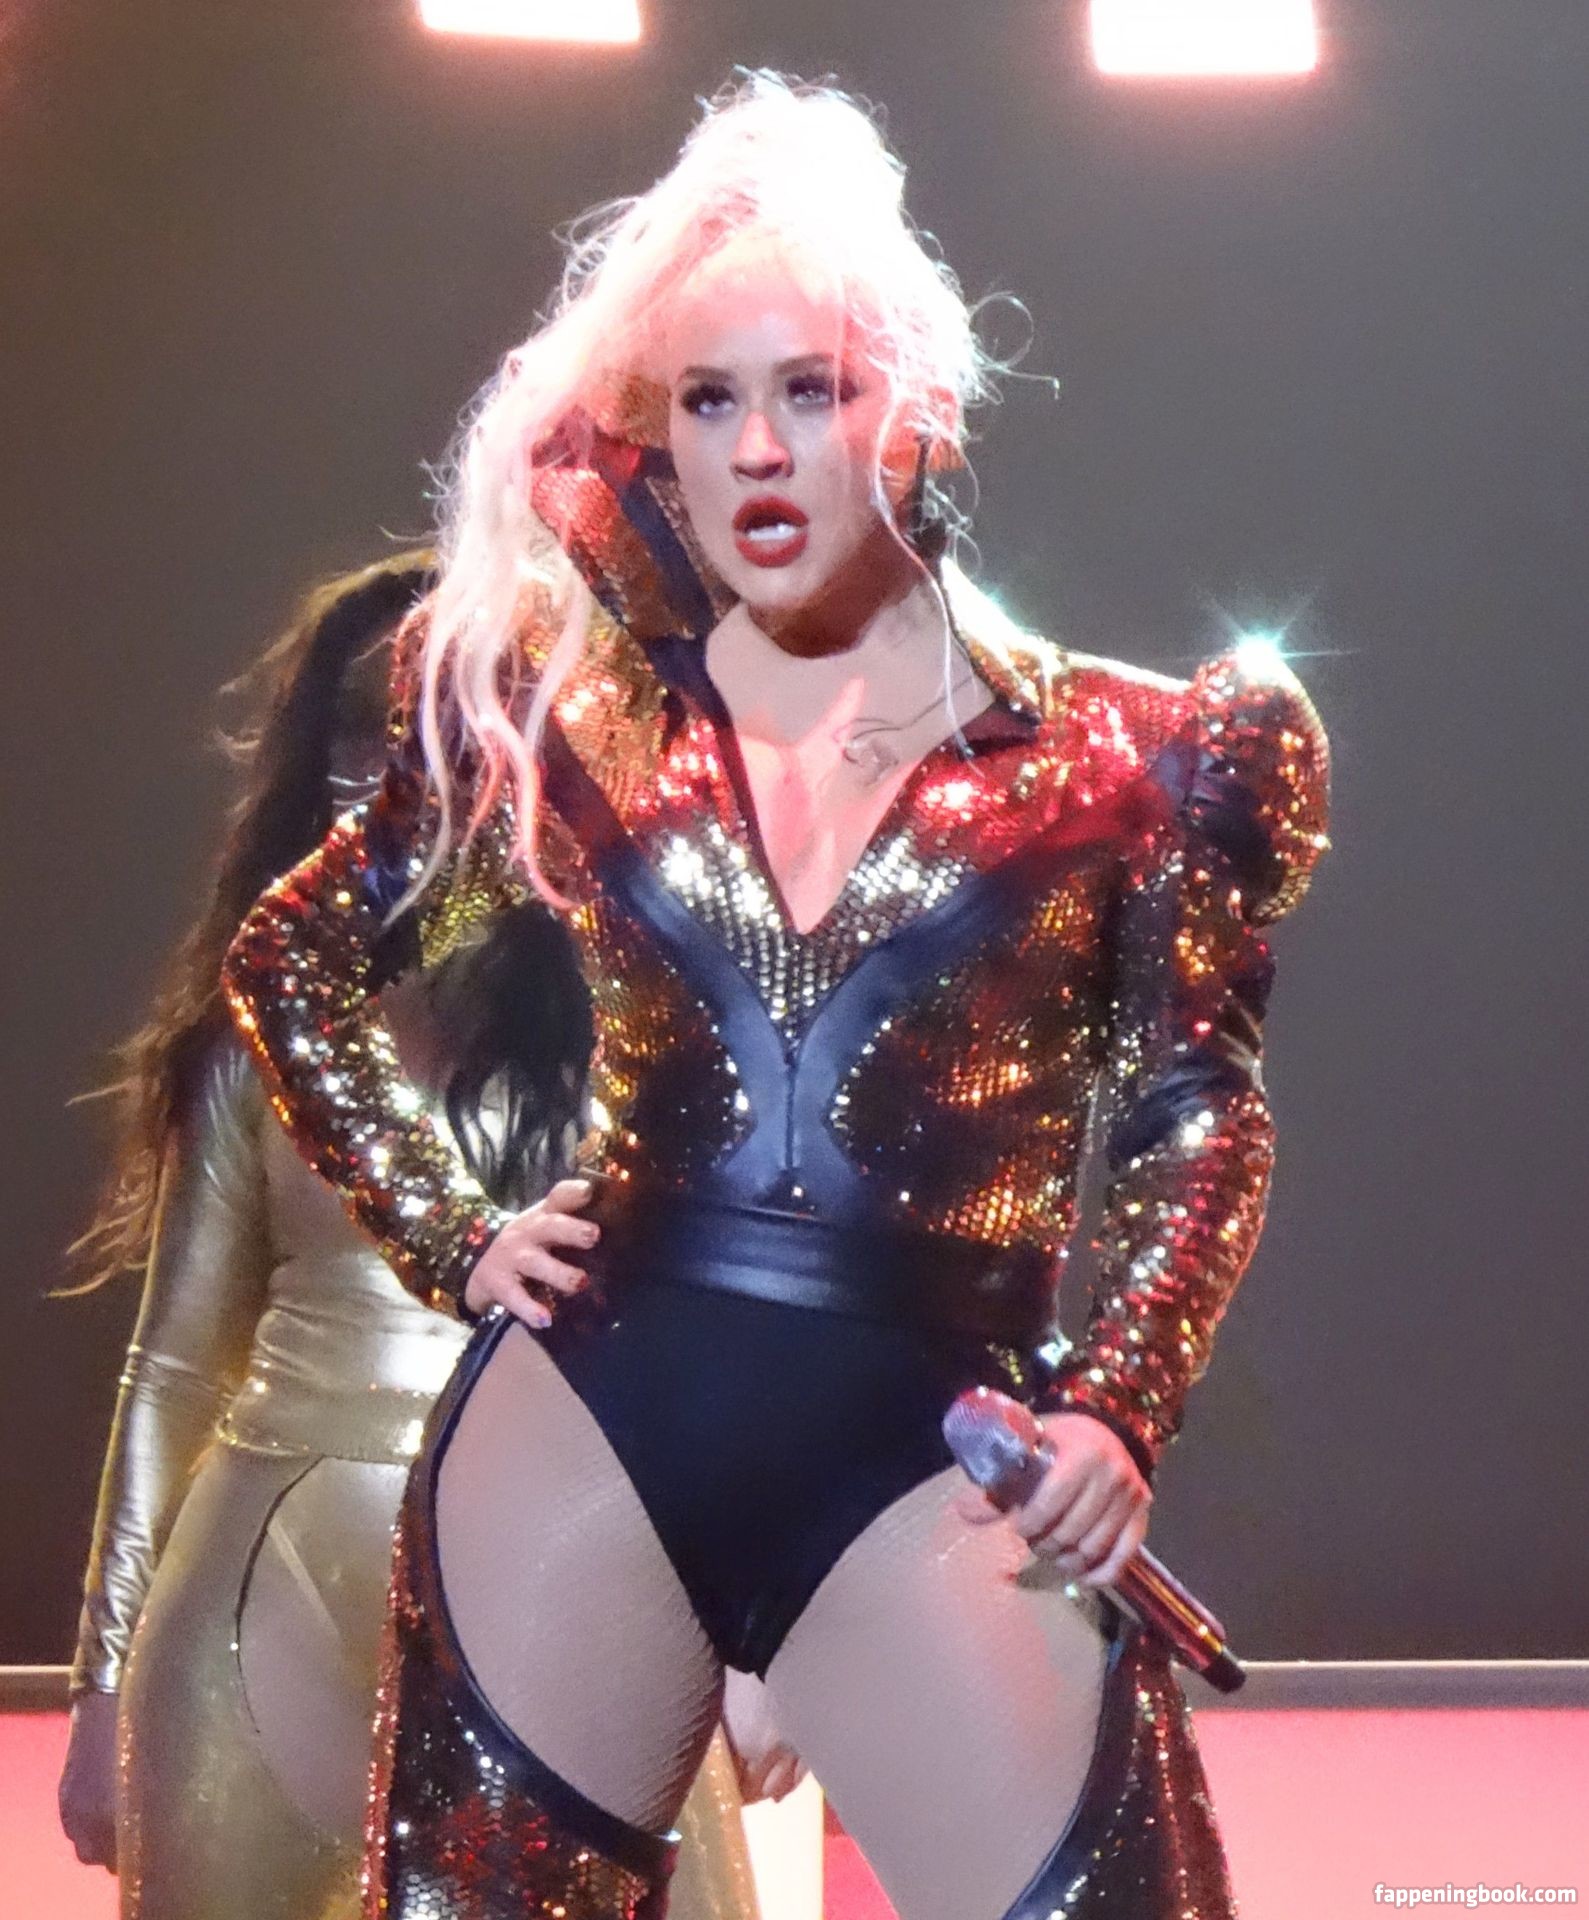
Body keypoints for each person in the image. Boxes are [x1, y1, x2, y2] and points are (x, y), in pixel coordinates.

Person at [222, 73, 1331, 1920]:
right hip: (583, 1436)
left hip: (926, 1460)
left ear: (922, 406)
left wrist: (1115, 1405)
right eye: (704, 402)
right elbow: (291, 957)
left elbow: (1194, 1108)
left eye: (809, 392)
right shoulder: (574, 727)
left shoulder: (1137, 759)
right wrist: (452, 1234)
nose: (753, 451)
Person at [58, 555, 771, 1920]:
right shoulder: (257, 1029)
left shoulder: (638, 1017)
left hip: (579, 1585)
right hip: (264, 1596)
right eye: (359, 734)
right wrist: (102, 1687)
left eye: (444, 724)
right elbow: (174, 1369)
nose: (397, 772)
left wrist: (753, 1639)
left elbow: (722, 1340)